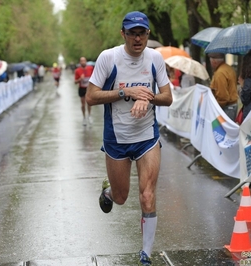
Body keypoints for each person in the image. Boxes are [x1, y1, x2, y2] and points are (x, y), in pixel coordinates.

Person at [86, 11, 172, 265]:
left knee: (147, 195)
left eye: (142, 33)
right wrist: (125, 92)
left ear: (148, 34)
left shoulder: (155, 58)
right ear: (123, 34)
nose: (137, 38)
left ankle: (145, 254)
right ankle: (110, 191)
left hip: (147, 137)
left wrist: (147, 97)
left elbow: (167, 97)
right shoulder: (109, 58)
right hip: (117, 138)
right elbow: (91, 96)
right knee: (122, 197)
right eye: (132, 33)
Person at [208, 52, 238, 121]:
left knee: (223, 131)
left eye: (211, 61)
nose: (211, 64)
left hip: (226, 108)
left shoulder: (220, 73)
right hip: (232, 106)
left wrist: (214, 107)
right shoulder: (228, 68)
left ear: (214, 62)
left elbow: (223, 97)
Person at [74, 57, 94, 125]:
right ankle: (84, 117)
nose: (83, 62)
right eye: (81, 61)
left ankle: (89, 116)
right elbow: (75, 82)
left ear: (86, 61)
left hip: (88, 88)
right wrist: (80, 79)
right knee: (83, 104)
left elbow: (94, 77)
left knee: (89, 102)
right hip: (82, 88)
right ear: (80, 62)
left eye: (84, 61)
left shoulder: (90, 68)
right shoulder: (77, 70)